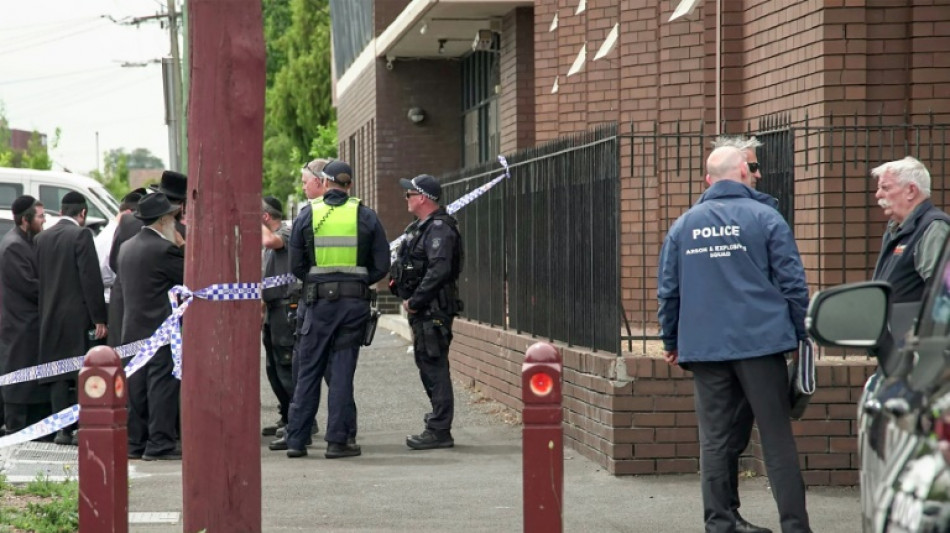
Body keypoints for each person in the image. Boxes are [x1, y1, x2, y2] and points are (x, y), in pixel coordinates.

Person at [657, 146, 811, 533]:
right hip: (762, 343)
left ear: (709, 180)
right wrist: (801, 335)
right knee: (776, 440)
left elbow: (669, 290)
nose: (758, 174)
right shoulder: (766, 218)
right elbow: (792, 283)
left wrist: (671, 339)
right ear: (742, 170)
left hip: (706, 348)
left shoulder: (684, 226)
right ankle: (795, 526)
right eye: (755, 167)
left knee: (714, 440)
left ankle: (721, 522)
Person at [277, 160, 389, 459]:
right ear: (349, 185)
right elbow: (381, 265)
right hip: (353, 305)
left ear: (324, 183)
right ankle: (338, 441)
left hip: (317, 303)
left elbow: (296, 266)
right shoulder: (366, 216)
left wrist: (317, 279)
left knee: (309, 371)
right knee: (341, 373)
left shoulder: (307, 216)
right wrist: (357, 280)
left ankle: (296, 441)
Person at [705, 135, 770, 533]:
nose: (758, 172)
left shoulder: (764, 212)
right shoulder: (716, 219)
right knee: (723, 437)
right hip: (740, 343)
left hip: (737, 341)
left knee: (732, 435)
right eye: (753, 165)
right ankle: (723, 518)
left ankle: (726, 516)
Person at [391, 174, 463, 450]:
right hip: (424, 310)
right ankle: (437, 424)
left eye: (409, 194)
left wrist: (416, 301)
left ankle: (440, 430)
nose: (406, 199)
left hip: (432, 310)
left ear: (422, 197)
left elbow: (439, 271)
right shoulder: (422, 228)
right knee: (428, 365)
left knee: (434, 366)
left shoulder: (440, 230)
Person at [35, 191, 108, 446]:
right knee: (80, 371)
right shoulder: (81, 235)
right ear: (83, 213)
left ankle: (61, 431)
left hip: (49, 314)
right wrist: (99, 317)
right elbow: (90, 279)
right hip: (76, 317)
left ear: (62, 211)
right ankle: (81, 427)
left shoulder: (41, 238)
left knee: (56, 374)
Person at [117, 193, 185, 461]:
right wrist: (181, 245)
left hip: (131, 328)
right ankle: (159, 443)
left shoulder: (127, 246)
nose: (176, 224)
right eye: (173, 218)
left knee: (137, 387)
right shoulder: (163, 249)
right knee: (161, 386)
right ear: (164, 220)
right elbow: (189, 275)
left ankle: (135, 442)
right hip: (159, 330)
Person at [108, 172, 186, 347]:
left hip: (127, 324)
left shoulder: (126, 224)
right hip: (158, 331)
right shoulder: (176, 235)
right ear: (181, 206)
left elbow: (115, 263)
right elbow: (189, 278)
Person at [0, 196, 50, 434]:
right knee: (19, 377)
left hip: (30, 323)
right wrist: (54, 292)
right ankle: (16, 426)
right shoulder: (13, 246)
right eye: (40, 216)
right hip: (19, 325)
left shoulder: (28, 242)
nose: (44, 220)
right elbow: (29, 285)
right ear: (25, 219)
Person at [872, 156, 950, 302]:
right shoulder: (895, 228)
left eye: (885, 187)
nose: (878, 194)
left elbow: (943, 292)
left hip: (912, 324)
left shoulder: (934, 228)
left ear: (911, 191)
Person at [260, 196, 299, 436]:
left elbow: (270, 240)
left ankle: (299, 418)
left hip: (285, 308)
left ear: (265, 217)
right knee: (273, 368)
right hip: (272, 308)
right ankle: (286, 415)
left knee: (286, 366)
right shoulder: (266, 243)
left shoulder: (286, 233)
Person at [94, 189, 145, 304]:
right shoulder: (112, 235)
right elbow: (110, 269)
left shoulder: (114, 231)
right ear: (128, 213)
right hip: (110, 297)